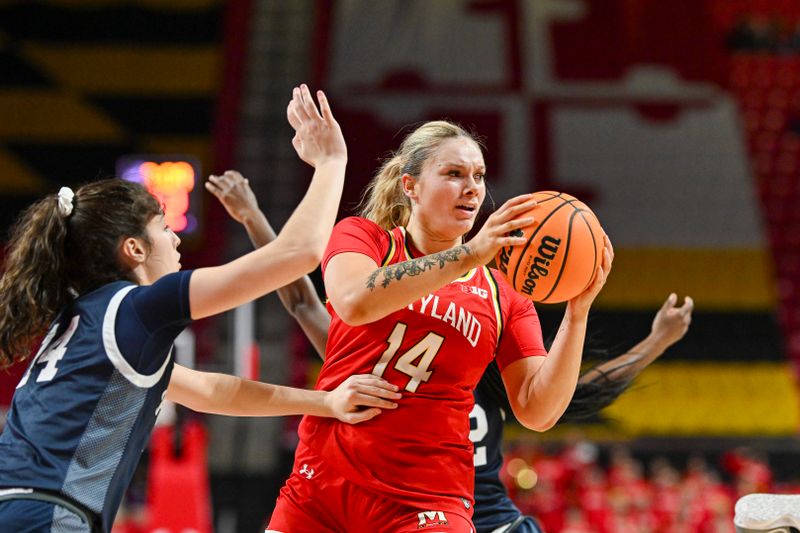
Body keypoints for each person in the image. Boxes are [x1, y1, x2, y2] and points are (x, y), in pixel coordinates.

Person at [0, 85, 402, 533]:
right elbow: (299, 254)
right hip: (47, 516)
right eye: (163, 228)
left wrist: (325, 402)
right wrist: (331, 163)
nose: (175, 240)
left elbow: (213, 391)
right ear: (133, 248)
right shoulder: (137, 309)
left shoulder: (84, 319)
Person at [208, 173, 694, 533]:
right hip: (392, 507)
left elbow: (577, 393)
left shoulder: (497, 360)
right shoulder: (377, 359)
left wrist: (647, 340)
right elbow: (304, 303)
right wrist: (254, 220)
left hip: (474, 515)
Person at [249, 119, 612, 531]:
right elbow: (353, 302)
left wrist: (577, 312)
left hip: (426, 499)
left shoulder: (504, 295)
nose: (473, 187)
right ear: (410, 186)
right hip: (322, 485)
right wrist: (471, 254)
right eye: (454, 174)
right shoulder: (365, 239)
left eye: (478, 176)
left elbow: (538, 410)